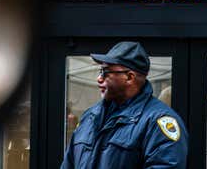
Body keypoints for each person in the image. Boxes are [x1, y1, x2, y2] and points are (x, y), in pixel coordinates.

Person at [60, 41, 188, 169]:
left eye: (106, 72)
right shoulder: (90, 117)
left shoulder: (156, 123)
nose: (99, 78)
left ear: (129, 77)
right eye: (100, 71)